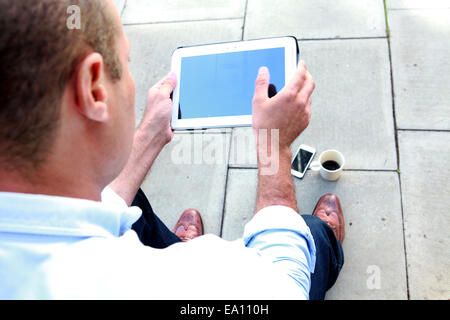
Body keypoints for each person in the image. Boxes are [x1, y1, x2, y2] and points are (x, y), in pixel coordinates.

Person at [0, 0, 343, 299]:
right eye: (126, 63)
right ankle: (328, 242)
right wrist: (275, 144)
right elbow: (285, 283)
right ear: (93, 89)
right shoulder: (175, 286)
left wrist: (149, 134)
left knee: (129, 206)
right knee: (309, 233)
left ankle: (173, 245)